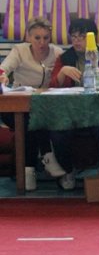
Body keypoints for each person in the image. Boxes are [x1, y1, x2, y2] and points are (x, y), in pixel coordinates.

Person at [47, 18, 99, 190]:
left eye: (81, 36)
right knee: (58, 131)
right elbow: (51, 89)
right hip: (70, 112)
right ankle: (68, 171)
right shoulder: (64, 59)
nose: (76, 41)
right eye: (73, 37)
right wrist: (62, 73)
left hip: (98, 111)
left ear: (92, 37)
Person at [0, 17, 62, 189]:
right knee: (30, 120)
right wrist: (3, 75)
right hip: (17, 106)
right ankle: (47, 155)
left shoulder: (57, 53)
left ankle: (28, 172)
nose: (42, 43)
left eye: (46, 38)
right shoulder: (19, 50)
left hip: (45, 106)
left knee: (33, 121)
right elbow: (4, 68)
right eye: (37, 38)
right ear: (28, 37)